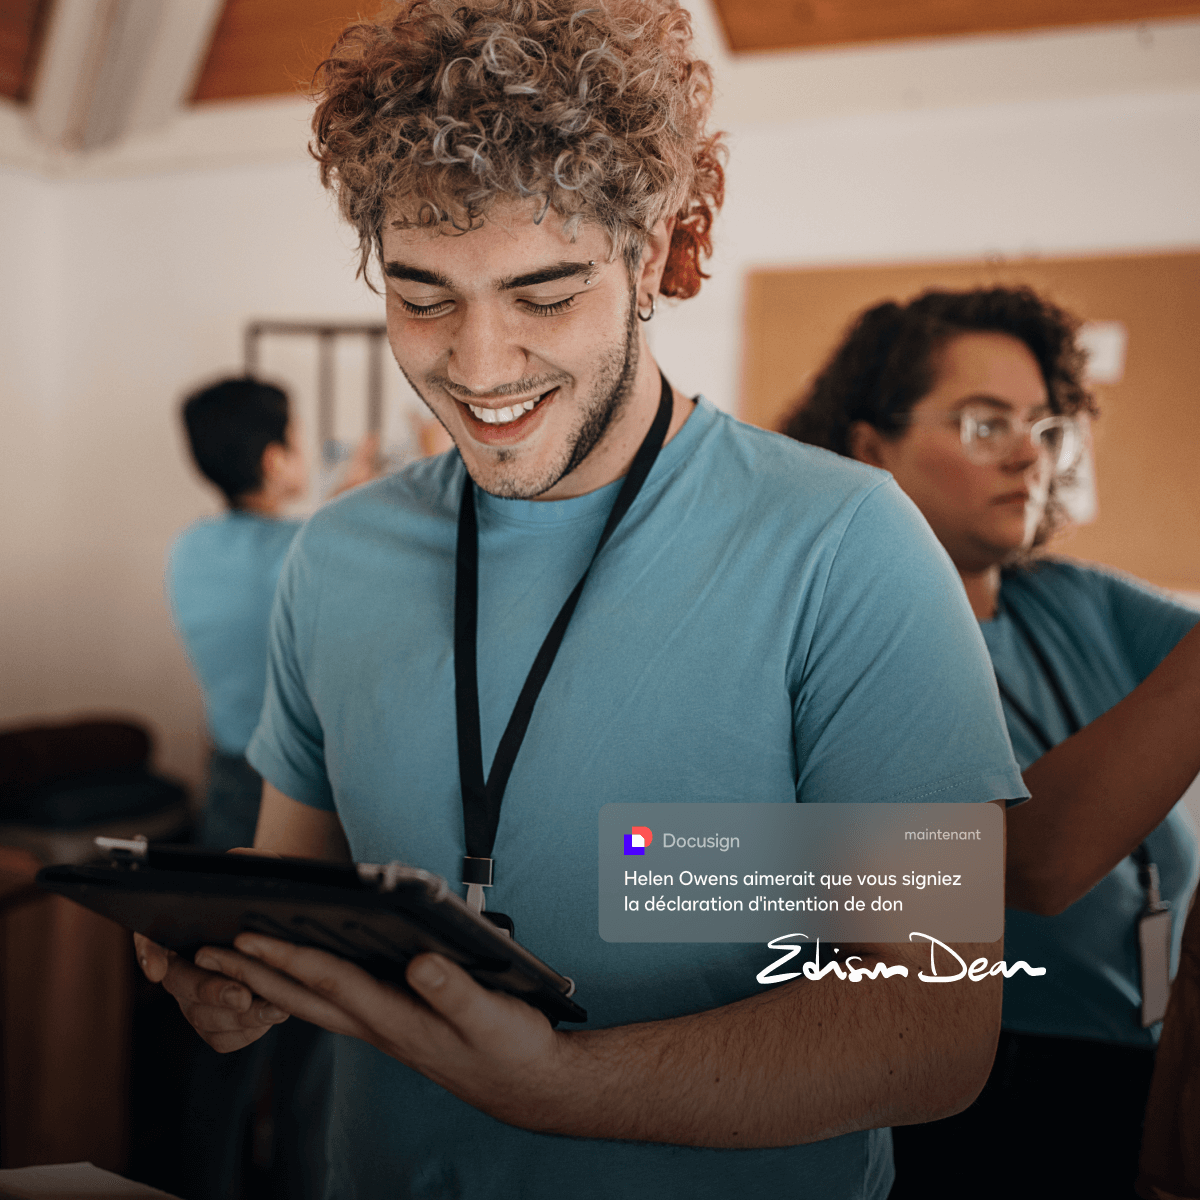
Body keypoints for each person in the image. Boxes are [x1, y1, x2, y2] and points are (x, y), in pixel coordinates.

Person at [139, 5, 1029, 1198]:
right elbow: (296, 893)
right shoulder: (336, 556)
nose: (479, 365)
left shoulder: (846, 547)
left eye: (545, 294)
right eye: (422, 296)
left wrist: (563, 1086)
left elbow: (934, 1027)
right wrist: (240, 980)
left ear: (659, 249)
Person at [783, 285, 1200, 1199]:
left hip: (1139, 1066)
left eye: (1045, 428)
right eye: (984, 424)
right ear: (867, 447)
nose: (1028, 454)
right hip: (978, 1090)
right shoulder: (829, 633)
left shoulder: (1079, 601)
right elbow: (1022, 865)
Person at [168, 376, 376, 1200]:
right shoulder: (312, 550)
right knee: (307, 1029)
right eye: (292, 436)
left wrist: (333, 499)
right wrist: (358, 491)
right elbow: (324, 551)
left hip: (222, 786)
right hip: (298, 793)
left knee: (219, 1015)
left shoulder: (189, 547)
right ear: (271, 455)